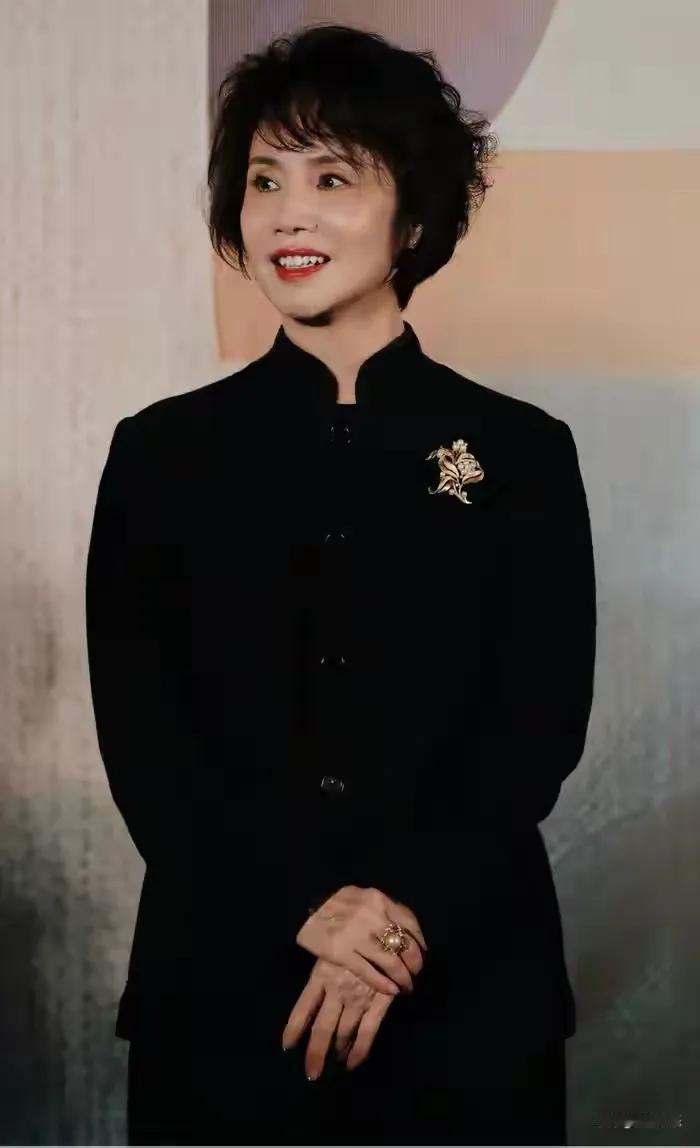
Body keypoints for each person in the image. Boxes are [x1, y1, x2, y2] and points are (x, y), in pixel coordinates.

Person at [85, 22, 596, 1146]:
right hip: (225, 986)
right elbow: (144, 731)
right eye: (264, 180)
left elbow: (535, 728)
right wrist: (302, 906)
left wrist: (401, 914)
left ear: (412, 217)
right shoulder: (162, 453)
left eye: (332, 178)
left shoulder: (519, 451)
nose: (287, 214)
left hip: (466, 990)